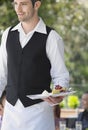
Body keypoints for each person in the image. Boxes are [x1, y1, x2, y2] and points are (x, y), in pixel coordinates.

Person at [0, 0, 69, 130]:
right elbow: (1, 74)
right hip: (10, 115)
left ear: (36, 5)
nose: (18, 9)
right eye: (16, 3)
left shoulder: (52, 37)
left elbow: (61, 75)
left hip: (39, 114)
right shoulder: (7, 34)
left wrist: (59, 95)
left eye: (24, 4)